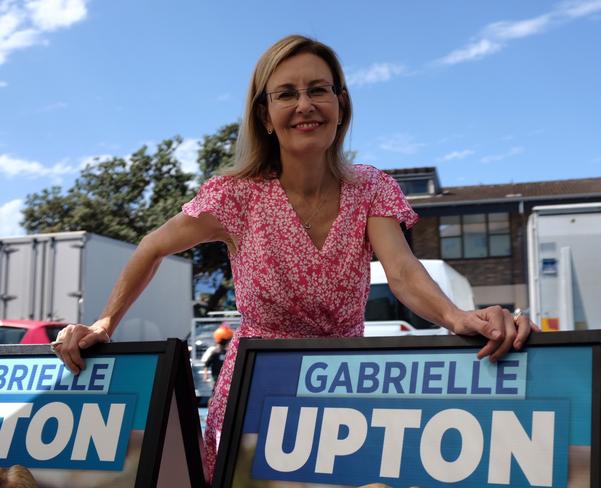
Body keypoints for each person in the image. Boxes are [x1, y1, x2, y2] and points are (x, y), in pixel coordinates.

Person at [51, 34, 537, 480]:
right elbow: (152, 245)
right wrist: (104, 324)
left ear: (341, 104)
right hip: (254, 394)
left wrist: (457, 317)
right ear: (264, 114)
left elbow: (404, 272)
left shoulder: (370, 188)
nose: (305, 105)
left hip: (344, 392)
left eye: (318, 90)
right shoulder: (234, 197)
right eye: (286, 94)